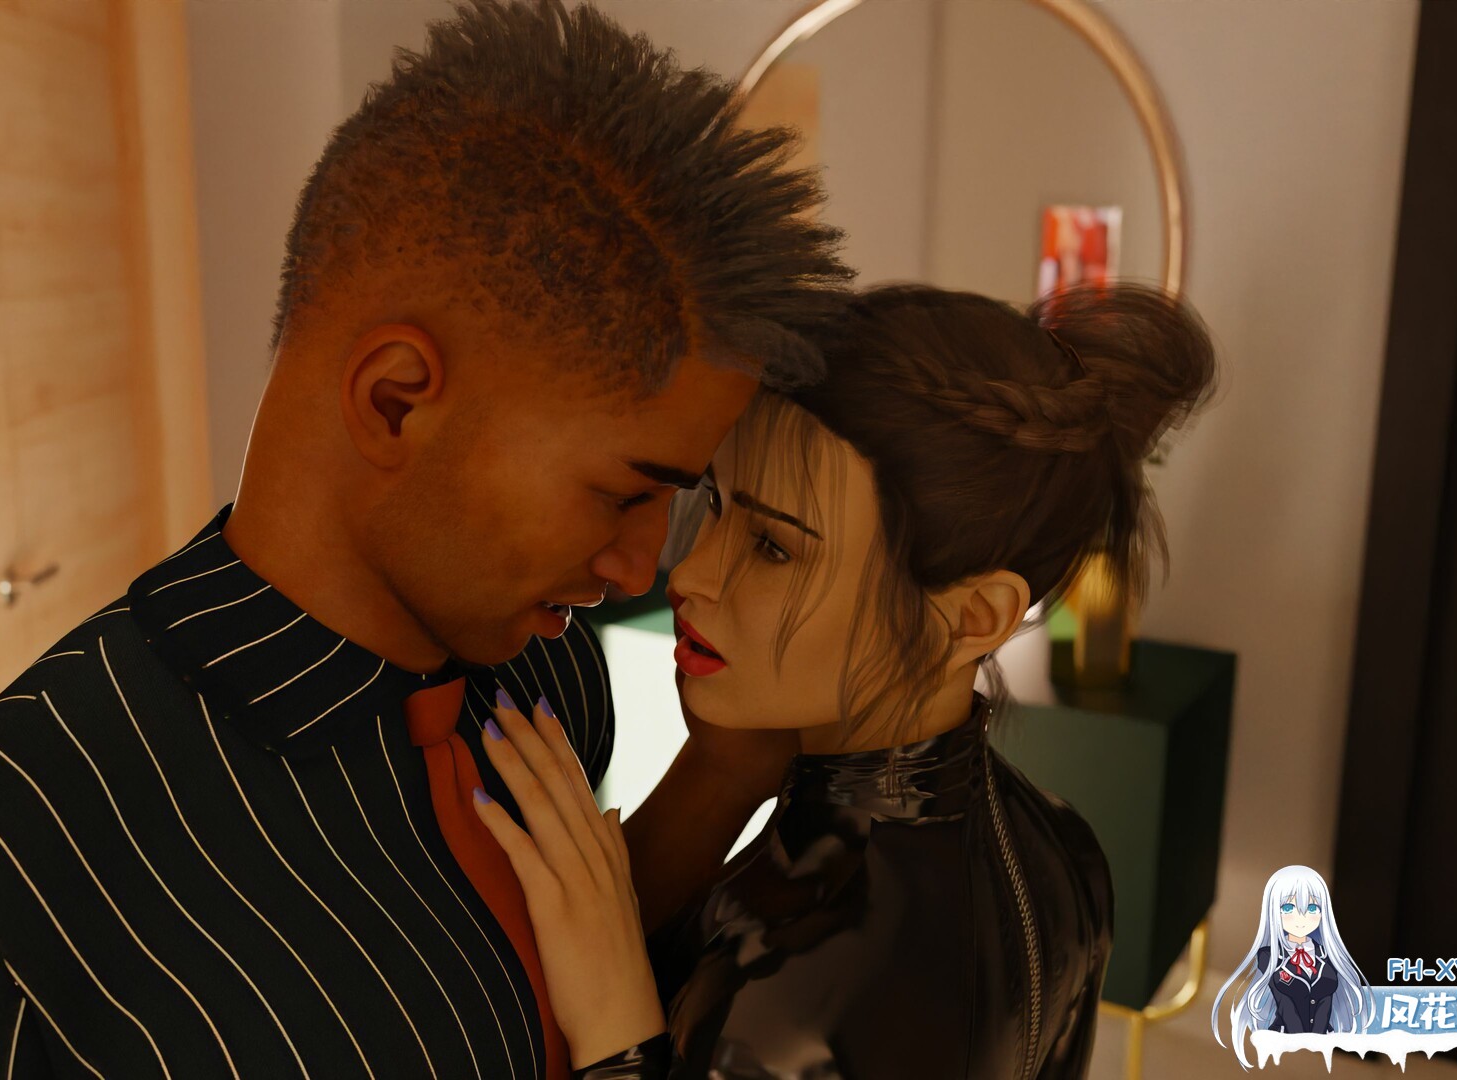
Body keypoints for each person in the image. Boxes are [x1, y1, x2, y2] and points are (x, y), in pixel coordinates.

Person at [0, 2, 852, 1076]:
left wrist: (723, 776)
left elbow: (554, 976)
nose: (639, 566)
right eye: (622, 494)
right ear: (394, 400)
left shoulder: (548, 674)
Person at [474, 281, 1218, 1077]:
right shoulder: (1068, 848)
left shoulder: (784, 1004)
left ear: (973, 617)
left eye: (774, 547)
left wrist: (617, 1032)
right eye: (718, 503)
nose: (689, 574)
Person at [1212, 864, 1377, 1067]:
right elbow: (1285, 1004)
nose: (1301, 919)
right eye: (1289, 909)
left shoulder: (1329, 956)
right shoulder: (1268, 957)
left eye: (1312, 908)